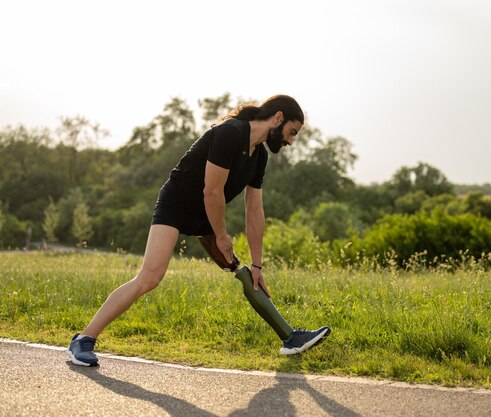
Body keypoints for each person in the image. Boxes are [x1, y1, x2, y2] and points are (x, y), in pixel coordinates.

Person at [66, 95, 331, 367]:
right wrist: (221, 235)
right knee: (150, 277)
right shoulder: (230, 133)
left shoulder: (259, 157)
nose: (290, 141)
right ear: (277, 118)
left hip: (208, 212)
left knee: (245, 274)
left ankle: (289, 338)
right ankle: (83, 340)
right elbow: (212, 191)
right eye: (291, 132)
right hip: (177, 205)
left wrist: (257, 263)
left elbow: (254, 212)